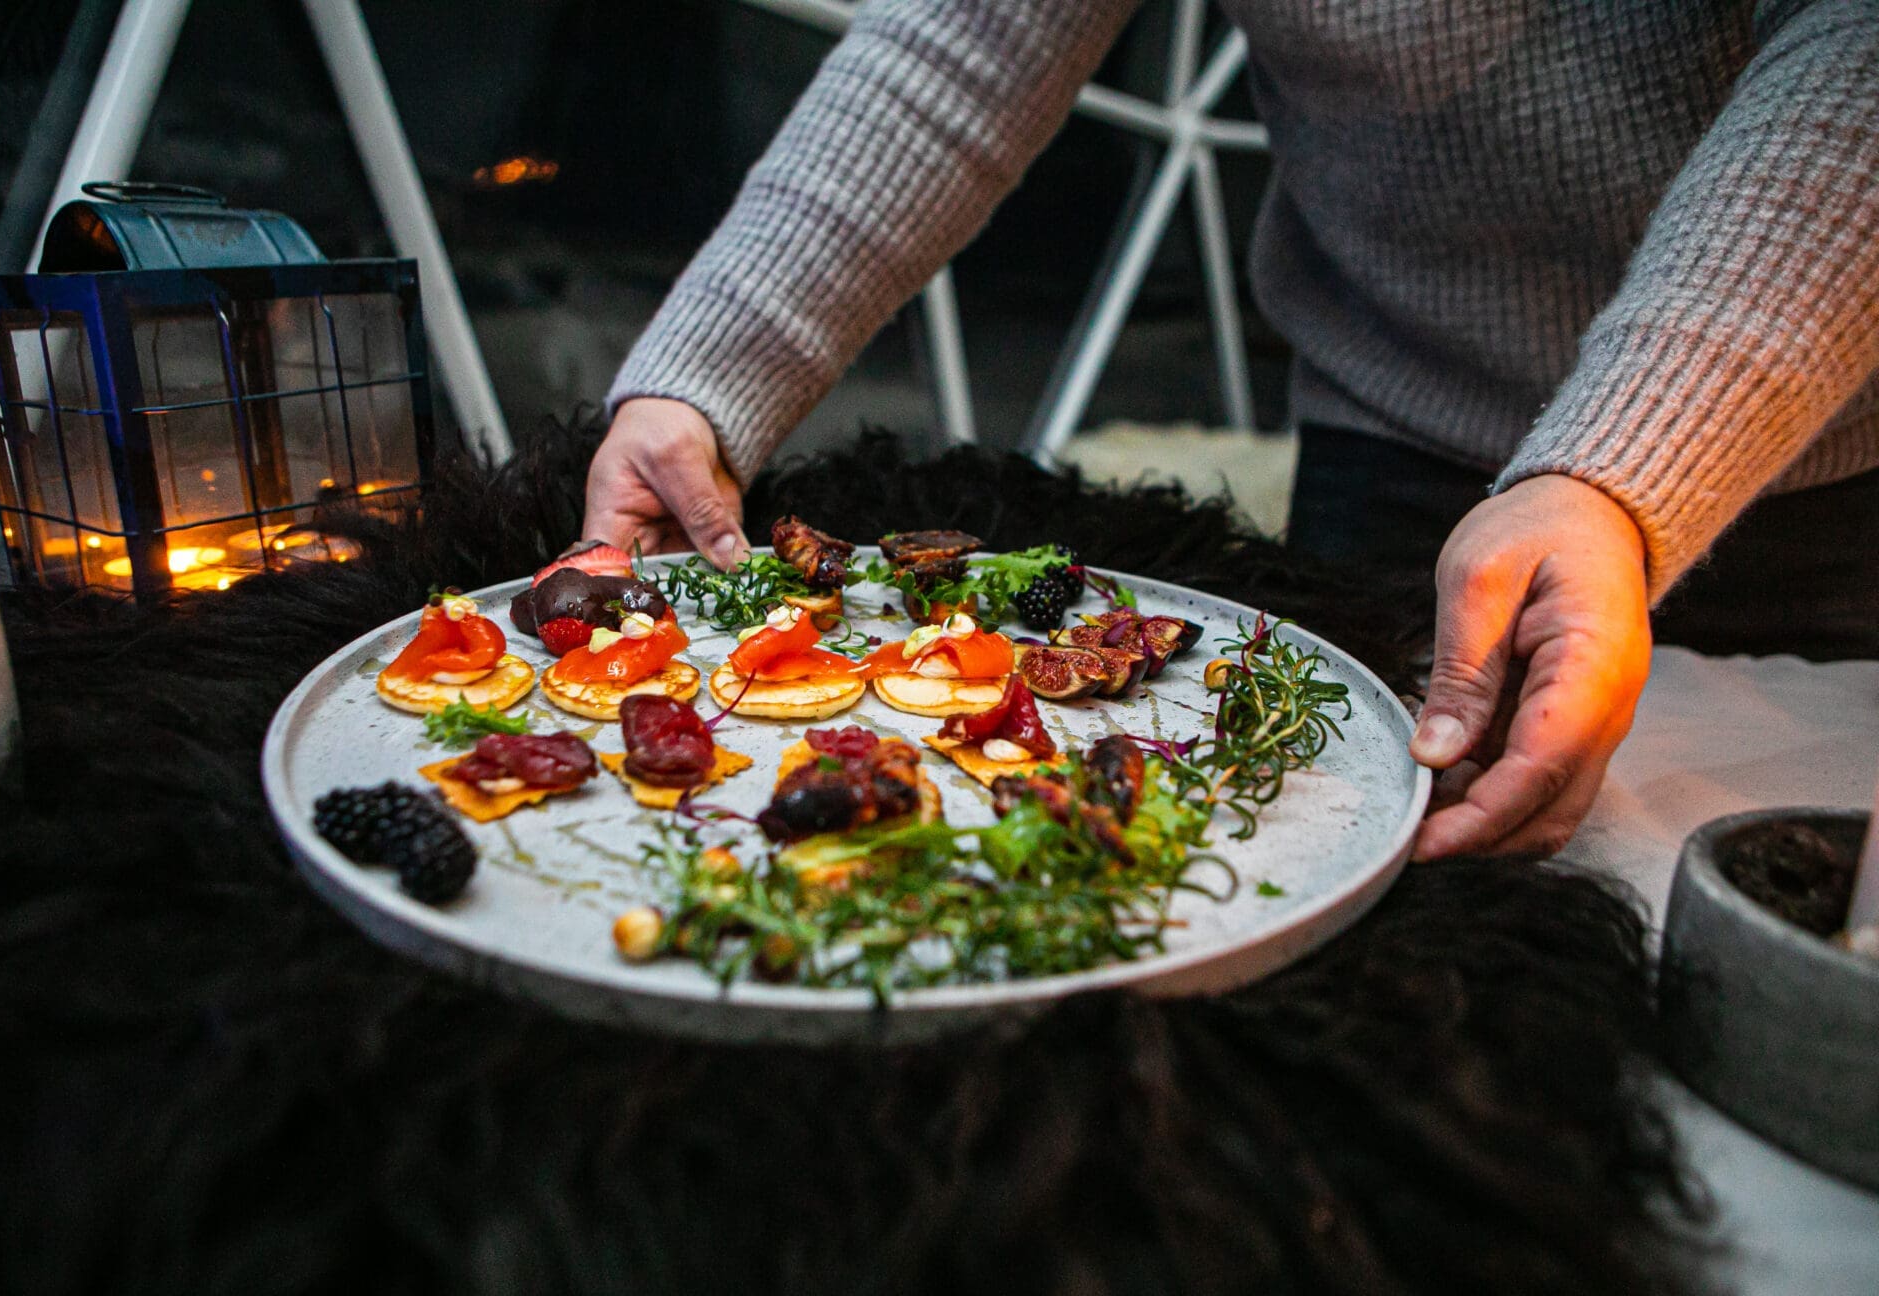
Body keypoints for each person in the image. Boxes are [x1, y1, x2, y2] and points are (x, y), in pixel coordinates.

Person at [579, 0, 1879, 861]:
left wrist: (1620, 468)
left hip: (1804, 450)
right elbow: (959, 46)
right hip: (1391, 433)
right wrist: (703, 379)